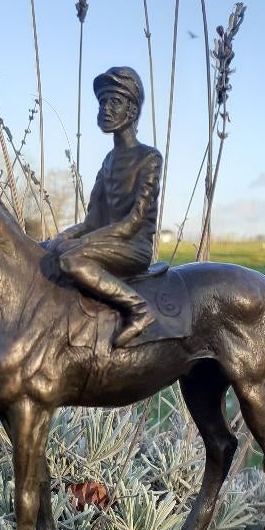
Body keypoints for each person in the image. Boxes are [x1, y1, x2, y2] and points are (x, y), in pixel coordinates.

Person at [46, 66, 162, 348]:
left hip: (133, 247)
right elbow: (92, 221)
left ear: (132, 111)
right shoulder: (108, 162)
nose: (105, 109)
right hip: (107, 243)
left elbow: (133, 222)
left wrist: (81, 244)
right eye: (102, 103)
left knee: (71, 260)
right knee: (49, 251)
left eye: (114, 102)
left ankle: (138, 309)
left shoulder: (149, 159)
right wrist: (60, 238)